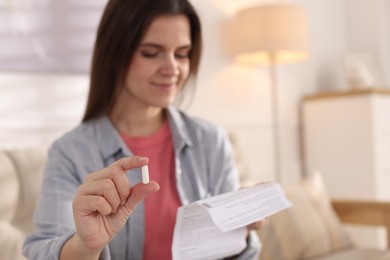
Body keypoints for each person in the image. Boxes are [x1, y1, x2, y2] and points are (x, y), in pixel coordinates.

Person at [23, 0, 266, 259]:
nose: (172, 68)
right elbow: (41, 252)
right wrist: (86, 246)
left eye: (182, 54)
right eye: (151, 52)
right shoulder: (70, 153)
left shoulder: (211, 141)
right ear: (116, 54)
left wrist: (240, 229)